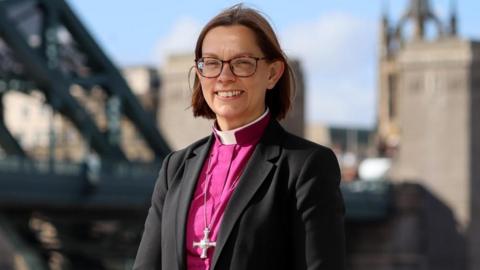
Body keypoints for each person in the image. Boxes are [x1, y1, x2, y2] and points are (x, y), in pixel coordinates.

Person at [133, 4, 345, 270]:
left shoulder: (307, 166)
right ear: (200, 73)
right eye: (211, 64)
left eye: (242, 63)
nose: (224, 77)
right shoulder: (175, 168)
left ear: (272, 73)